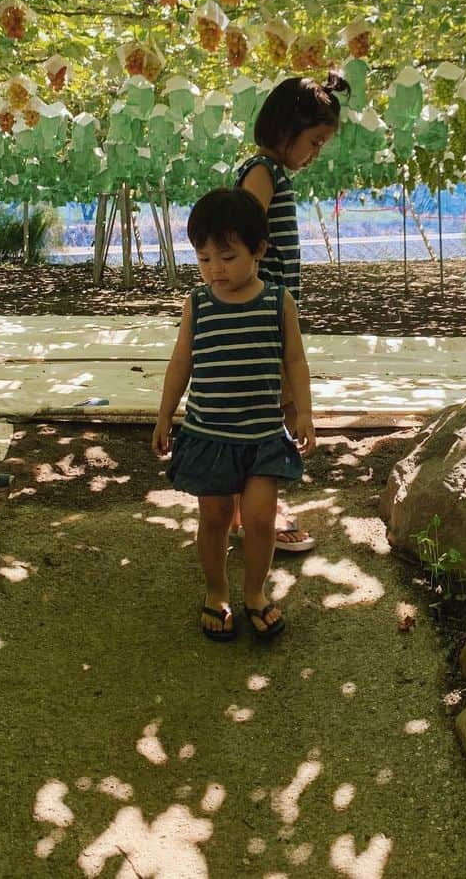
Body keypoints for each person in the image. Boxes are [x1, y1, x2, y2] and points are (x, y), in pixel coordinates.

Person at [152, 188, 315, 641]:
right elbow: (181, 361)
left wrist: (303, 412)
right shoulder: (198, 305)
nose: (215, 270)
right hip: (210, 435)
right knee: (216, 518)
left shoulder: (278, 302)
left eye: (226, 256)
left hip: (263, 435)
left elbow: (296, 362)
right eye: (204, 259)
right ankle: (216, 591)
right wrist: (165, 415)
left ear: (258, 250)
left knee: (261, 518)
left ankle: (256, 594)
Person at [232, 71, 349, 552]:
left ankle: (250, 511)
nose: (316, 153)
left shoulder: (272, 173)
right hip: (262, 317)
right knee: (269, 412)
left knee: (269, 409)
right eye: (315, 141)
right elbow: (239, 236)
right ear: (285, 129)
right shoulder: (262, 172)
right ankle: (260, 512)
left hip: (273, 313)